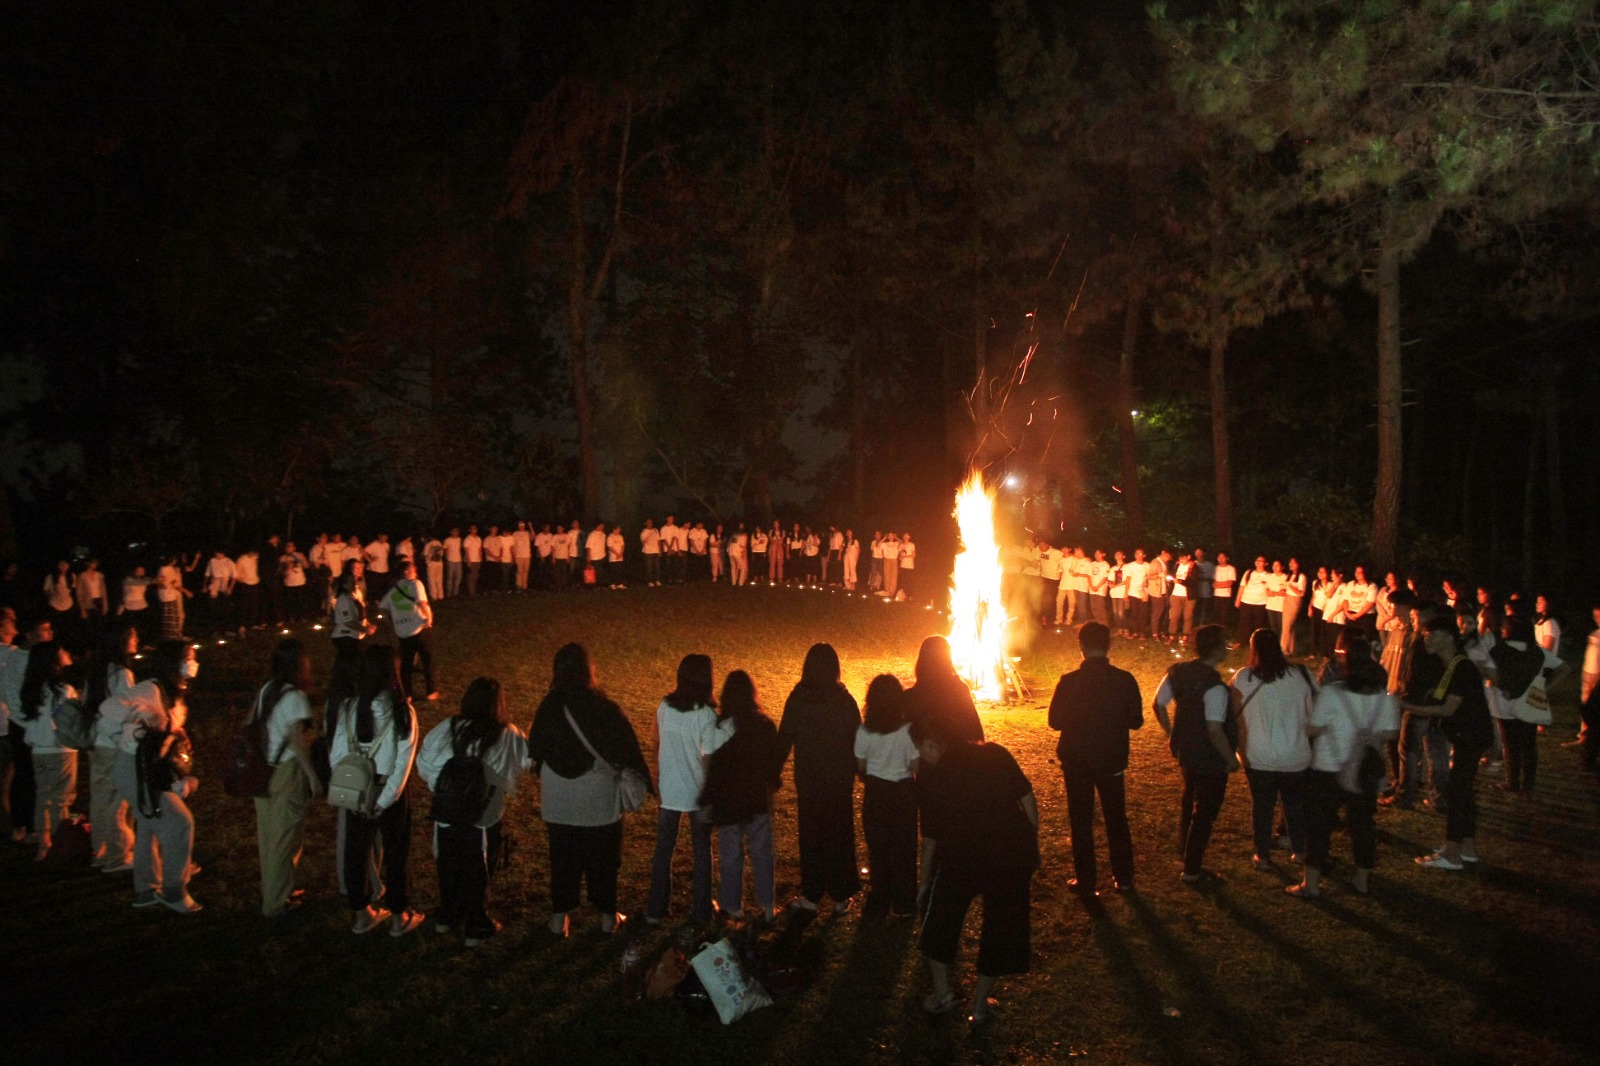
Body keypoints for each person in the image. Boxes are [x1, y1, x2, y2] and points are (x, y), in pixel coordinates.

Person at [914, 712, 1038, 1025]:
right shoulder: (995, 753)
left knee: (939, 921)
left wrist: (924, 884)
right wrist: (1031, 842)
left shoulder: (934, 777)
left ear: (931, 744)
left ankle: (942, 994)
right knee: (1002, 928)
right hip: (1010, 853)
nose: (917, 755)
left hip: (963, 855)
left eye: (919, 747)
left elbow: (929, 840)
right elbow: (1027, 798)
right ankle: (980, 1005)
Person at [529, 643, 650, 935]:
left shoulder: (549, 707)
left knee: (562, 859)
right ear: (588, 670)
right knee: (604, 860)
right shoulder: (605, 708)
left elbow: (535, 750)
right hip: (598, 798)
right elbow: (626, 750)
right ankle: (608, 918)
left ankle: (559, 919)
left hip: (558, 800)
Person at [418, 677, 531, 946]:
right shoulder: (507, 734)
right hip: (483, 814)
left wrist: (443, 787)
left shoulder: (448, 727)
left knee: (448, 861)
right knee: (477, 866)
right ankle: (475, 924)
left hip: (447, 810)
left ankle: (447, 916)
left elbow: (425, 761)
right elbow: (526, 761)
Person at [1289, 629, 1399, 897]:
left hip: (1328, 768)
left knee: (1319, 826)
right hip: (1364, 770)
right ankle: (1362, 881)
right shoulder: (1384, 698)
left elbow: (1313, 729)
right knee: (1363, 825)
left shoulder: (1332, 693)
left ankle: (1311, 884)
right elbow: (1391, 733)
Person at [330, 645, 424, 935]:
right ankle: (399, 916)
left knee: (356, 853)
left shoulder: (349, 708)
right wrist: (384, 799)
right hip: (390, 793)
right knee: (397, 853)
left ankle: (362, 914)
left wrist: (351, 787)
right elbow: (403, 764)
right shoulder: (403, 712)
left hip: (356, 789)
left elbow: (337, 754)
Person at [1047, 621, 1143, 895]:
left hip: (1076, 760)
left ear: (1081, 646)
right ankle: (1124, 878)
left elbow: (1054, 721)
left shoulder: (1069, 682)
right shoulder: (1124, 680)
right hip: (1111, 758)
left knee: (1081, 819)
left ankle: (1086, 881)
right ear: (1108, 644)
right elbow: (1135, 721)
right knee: (1116, 817)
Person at [1404, 616, 1494, 870]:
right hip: (1468, 735)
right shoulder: (1451, 665)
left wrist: (1404, 706)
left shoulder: (1461, 667)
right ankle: (1466, 849)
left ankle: (1452, 854)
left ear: (1449, 637)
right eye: (1424, 634)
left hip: (1470, 735)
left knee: (1456, 791)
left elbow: (1447, 709)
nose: (1426, 639)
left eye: (1432, 634)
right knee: (1462, 792)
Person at [777, 643, 862, 912]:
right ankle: (840, 894)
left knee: (811, 836)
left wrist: (773, 771)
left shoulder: (799, 698)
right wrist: (863, 772)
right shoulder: (844, 700)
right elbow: (858, 739)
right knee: (839, 835)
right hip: (838, 781)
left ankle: (812, 895)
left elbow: (784, 737)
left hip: (810, 780)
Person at [118, 640, 202, 912]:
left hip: (147, 768)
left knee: (148, 826)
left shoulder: (172, 690)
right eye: (189, 657)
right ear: (173, 661)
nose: (193, 662)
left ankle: (145, 890)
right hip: (136, 769)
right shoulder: (149, 689)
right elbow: (112, 709)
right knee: (180, 822)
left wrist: (176, 733)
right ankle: (174, 891)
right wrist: (142, 719)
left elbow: (168, 723)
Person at [646, 654, 725, 926]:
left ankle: (656, 910)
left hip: (669, 789)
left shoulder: (665, 707)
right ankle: (702, 910)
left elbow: (656, 743)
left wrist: (657, 774)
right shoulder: (705, 715)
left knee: (663, 849)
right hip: (697, 793)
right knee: (702, 852)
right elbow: (708, 759)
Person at [1153, 624, 1236, 885]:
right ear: (1217, 649)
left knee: (1190, 801)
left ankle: (1184, 854)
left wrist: (1171, 733)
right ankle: (1192, 870)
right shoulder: (1215, 687)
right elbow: (1214, 730)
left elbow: (1158, 703)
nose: (1227, 648)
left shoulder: (1178, 672)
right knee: (1205, 812)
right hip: (1209, 757)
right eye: (1225, 643)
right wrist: (1231, 759)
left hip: (1186, 751)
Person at [702, 669, 782, 924]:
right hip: (757, 799)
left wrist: (707, 799)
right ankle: (767, 906)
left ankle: (732, 906)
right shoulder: (764, 724)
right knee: (762, 855)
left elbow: (714, 768)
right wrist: (772, 783)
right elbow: (774, 761)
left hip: (729, 802)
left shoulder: (720, 726)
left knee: (730, 855)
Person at [251, 639, 324, 917]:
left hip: (262, 770)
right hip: (285, 772)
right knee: (286, 839)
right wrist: (313, 778)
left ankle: (275, 889)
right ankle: (275, 904)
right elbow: (297, 741)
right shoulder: (295, 697)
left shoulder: (267, 690)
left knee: (269, 836)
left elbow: (252, 723)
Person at [1232, 628, 1315, 869]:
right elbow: (1312, 716)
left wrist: (1241, 749)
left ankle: (1263, 855)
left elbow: (1236, 719)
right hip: (1296, 753)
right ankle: (1299, 851)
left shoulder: (1243, 678)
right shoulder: (1301, 674)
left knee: (1262, 806)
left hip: (1258, 755)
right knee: (1294, 804)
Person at [854, 674, 920, 917]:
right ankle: (905, 902)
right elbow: (915, 765)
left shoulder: (864, 732)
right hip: (903, 793)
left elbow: (860, 766)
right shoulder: (908, 731)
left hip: (876, 794)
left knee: (879, 849)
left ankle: (880, 898)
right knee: (904, 849)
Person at [18, 640, 79, 860]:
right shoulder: (64, 690)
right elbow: (73, 720)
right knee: (62, 799)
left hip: (38, 749)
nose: (66, 651)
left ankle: (43, 842)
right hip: (61, 748)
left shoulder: (32, 689)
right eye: (61, 649)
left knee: (43, 796)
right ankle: (59, 841)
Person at [86, 623, 139, 870]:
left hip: (97, 743)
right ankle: (118, 855)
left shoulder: (96, 673)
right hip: (115, 744)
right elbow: (128, 711)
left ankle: (101, 850)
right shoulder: (121, 674)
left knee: (99, 799)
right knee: (118, 801)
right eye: (131, 635)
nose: (136, 639)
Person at [901, 635, 984, 744]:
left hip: (922, 758)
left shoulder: (910, 697)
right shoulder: (959, 691)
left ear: (922, 661)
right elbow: (976, 734)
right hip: (957, 757)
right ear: (947, 660)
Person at [380, 559, 438, 702]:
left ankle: (407, 694)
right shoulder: (415, 584)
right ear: (406, 572)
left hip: (402, 631)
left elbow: (382, 608)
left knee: (406, 664)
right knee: (428, 659)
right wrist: (429, 619)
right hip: (419, 627)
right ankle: (431, 691)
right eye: (413, 569)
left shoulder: (393, 591)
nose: (416, 572)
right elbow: (422, 603)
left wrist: (392, 624)